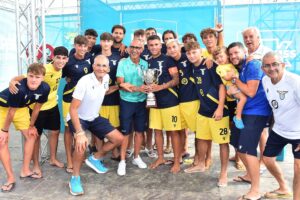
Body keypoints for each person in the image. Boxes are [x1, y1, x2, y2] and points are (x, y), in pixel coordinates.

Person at [8, 46, 69, 178]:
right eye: (58, 57)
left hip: (52, 105)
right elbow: (21, 78)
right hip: (37, 108)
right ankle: (35, 165)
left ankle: (52, 158)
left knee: (55, 132)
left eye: (64, 58)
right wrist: (12, 81)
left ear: (67, 60)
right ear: (53, 57)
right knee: (35, 137)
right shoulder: (45, 69)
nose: (60, 61)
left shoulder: (61, 70)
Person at [67, 55, 124, 196]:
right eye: (98, 65)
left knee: (119, 139)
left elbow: (104, 90)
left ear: (108, 68)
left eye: (104, 66)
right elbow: (73, 109)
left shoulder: (105, 78)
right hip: (78, 117)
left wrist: (118, 86)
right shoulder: (84, 81)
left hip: (94, 117)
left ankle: (95, 158)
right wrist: (79, 133)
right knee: (81, 145)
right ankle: (75, 178)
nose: (101, 68)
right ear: (93, 66)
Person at [227, 42, 271, 200]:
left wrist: (234, 80)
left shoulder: (252, 64)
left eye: (236, 53)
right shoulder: (243, 66)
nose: (233, 56)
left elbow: (251, 91)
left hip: (256, 113)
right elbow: (241, 91)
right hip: (245, 112)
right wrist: (233, 92)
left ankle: (255, 190)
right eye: (230, 54)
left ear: (244, 51)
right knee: (237, 146)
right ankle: (249, 175)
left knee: (247, 150)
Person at [184, 41, 229, 187]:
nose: (191, 55)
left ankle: (224, 173)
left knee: (222, 142)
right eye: (189, 53)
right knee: (202, 138)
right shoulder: (191, 67)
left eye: (194, 52)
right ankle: (201, 164)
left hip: (218, 110)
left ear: (200, 51)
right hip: (203, 110)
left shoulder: (210, 65)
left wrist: (220, 108)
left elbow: (221, 87)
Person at [0, 63, 50, 192]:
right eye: (31, 76)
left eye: (37, 77)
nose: (33, 80)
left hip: (21, 109)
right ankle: (10, 178)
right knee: (2, 141)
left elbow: (37, 108)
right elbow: (11, 112)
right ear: (26, 76)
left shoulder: (45, 88)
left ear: (43, 78)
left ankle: (25, 170)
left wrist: (32, 125)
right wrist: (4, 131)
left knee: (32, 135)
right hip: (3, 109)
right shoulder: (19, 88)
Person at [261, 51, 299, 200]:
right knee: (268, 160)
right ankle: (283, 187)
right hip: (279, 130)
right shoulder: (265, 81)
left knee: (298, 168)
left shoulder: (294, 81)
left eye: (275, 64)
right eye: (267, 65)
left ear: (282, 65)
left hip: (299, 133)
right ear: (263, 68)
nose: (271, 68)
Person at [146, 35, 182, 174]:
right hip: (155, 102)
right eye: (151, 45)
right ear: (148, 47)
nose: (154, 47)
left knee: (173, 132)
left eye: (156, 44)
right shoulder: (147, 62)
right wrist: (148, 88)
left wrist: (161, 87)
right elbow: (149, 82)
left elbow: (176, 79)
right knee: (157, 131)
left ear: (160, 45)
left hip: (170, 102)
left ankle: (177, 160)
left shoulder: (168, 60)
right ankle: (160, 158)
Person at [116, 39, 148, 176]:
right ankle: (122, 161)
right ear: (128, 49)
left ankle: (136, 157)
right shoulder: (122, 63)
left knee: (140, 132)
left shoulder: (145, 64)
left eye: (138, 47)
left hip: (141, 102)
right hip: (126, 102)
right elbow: (121, 83)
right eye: (132, 47)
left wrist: (148, 88)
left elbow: (148, 82)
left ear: (142, 50)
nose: (135, 50)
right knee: (125, 133)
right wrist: (138, 89)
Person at [242, 27, 272, 174]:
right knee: (259, 133)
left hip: (263, 101)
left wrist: (261, 60)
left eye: (251, 36)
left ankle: (263, 162)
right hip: (250, 102)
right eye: (245, 37)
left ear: (259, 37)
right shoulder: (247, 53)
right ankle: (258, 163)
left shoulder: (266, 52)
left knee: (262, 133)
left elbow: (279, 69)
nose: (248, 40)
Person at [62, 35, 93, 174]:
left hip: (84, 100)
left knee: (81, 128)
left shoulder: (89, 59)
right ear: (75, 46)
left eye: (84, 46)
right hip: (69, 99)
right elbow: (58, 73)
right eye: (79, 45)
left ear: (87, 47)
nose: (82, 48)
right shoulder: (67, 61)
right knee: (69, 129)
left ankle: (79, 154)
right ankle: (69, 160)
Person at [166, 39, 199, 161]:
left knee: (198, 132)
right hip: (175, 101)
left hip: (191, 100)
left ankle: (200, 157)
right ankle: (180, 154)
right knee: (179, 129)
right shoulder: (168, 61)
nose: (172, 50)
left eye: (174, 46)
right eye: (169, 48)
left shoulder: (188, 57)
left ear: (179, 47)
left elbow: (201, 58)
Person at [96, 32, 122, 160]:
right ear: (100, 42)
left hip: (114, 99)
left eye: (108, 41)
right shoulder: (95, 58)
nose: (106, 44)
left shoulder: (118, 57)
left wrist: (116, 87)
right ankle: (99, 155)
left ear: (112, 43)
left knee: (115, 126)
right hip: (98, 100)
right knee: (98, 129)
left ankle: (115, 152)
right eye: (104, 41)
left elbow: (120, 79)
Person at [213, 46, 247, 129]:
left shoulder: (231, 64)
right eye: (217, 58)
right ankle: (237, 117)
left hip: (236, 86)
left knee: (242, 100)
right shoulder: (219, 68)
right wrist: (232, 74)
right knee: (243, 99)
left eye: (221, 56)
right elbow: (227, 77)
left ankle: (238, 116)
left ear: (227, 55)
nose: (219, 59)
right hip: (230, 87)